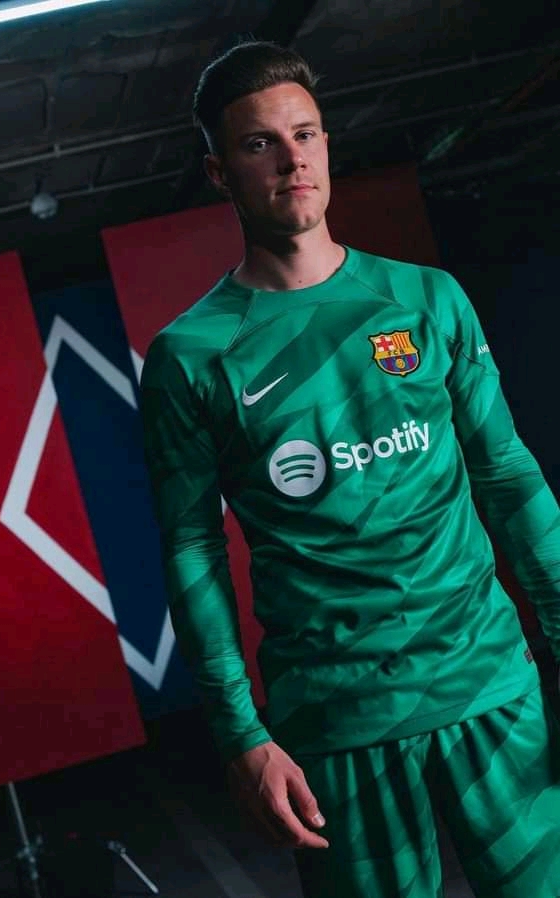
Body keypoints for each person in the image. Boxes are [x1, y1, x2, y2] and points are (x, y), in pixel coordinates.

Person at [138, 40, 560, 898]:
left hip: (489, 685)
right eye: (260, 143)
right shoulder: (191, 356)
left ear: (327, 146)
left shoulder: (427, 300)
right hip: (334, 724)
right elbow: (191, 550)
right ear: (220, 173)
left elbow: (509, 478)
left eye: (306, 135)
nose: (292, 159)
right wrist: (240, 733)